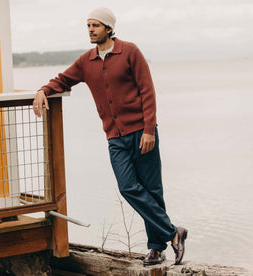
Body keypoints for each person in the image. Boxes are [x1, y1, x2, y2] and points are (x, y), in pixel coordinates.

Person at [33, 7, 187, 266]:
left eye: (95, 25)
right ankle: (174, 233)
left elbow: (147, 91)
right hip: (115, 137)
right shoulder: (86, 61)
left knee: (152, 190)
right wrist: (43, 90)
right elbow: (63, 80)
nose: (91, 30)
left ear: (108, 28)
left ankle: (156, 249)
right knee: (128, 187)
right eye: (88, 26)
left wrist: (149, 129)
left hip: (142, 133)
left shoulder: (130, 51)